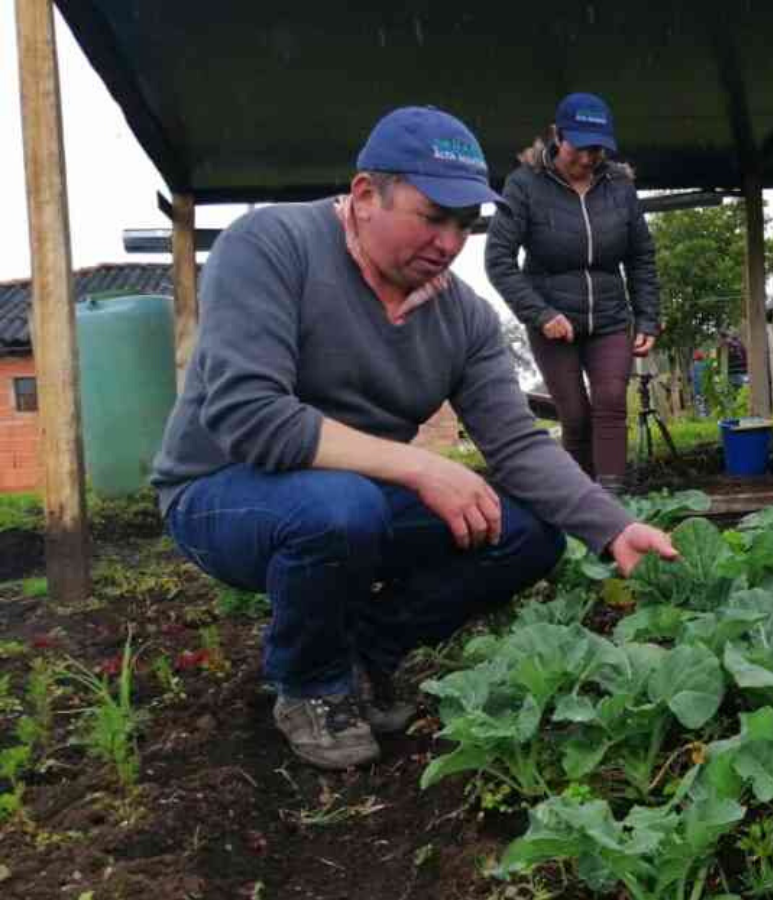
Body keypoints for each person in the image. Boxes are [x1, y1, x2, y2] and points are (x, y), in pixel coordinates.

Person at [150, 106, 677, 771]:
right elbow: (251, 416)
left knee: (526, 534)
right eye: (432, 216)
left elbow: (516, 444)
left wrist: (611, 527)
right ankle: (309, 686)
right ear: (366, 195)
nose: (449, 243)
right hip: (221, 491)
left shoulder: (465, 318)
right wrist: (421, 468)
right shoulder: (271, 245)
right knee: (339, 510)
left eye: (464, 224)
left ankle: (363, 651)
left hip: (355, 497)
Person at [485, 92, 660, 494]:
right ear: (557, 135)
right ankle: (580, 504)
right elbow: (498, 260)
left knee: (611, 401)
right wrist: (540, 313)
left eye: (597, 149)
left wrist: (648, 316)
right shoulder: (524, 185)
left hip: (611, 317)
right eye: (579, 147)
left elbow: (641, 255)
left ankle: (613, 502)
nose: (587, 158)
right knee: (576, 416)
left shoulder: (619, 186)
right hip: (553, 320)